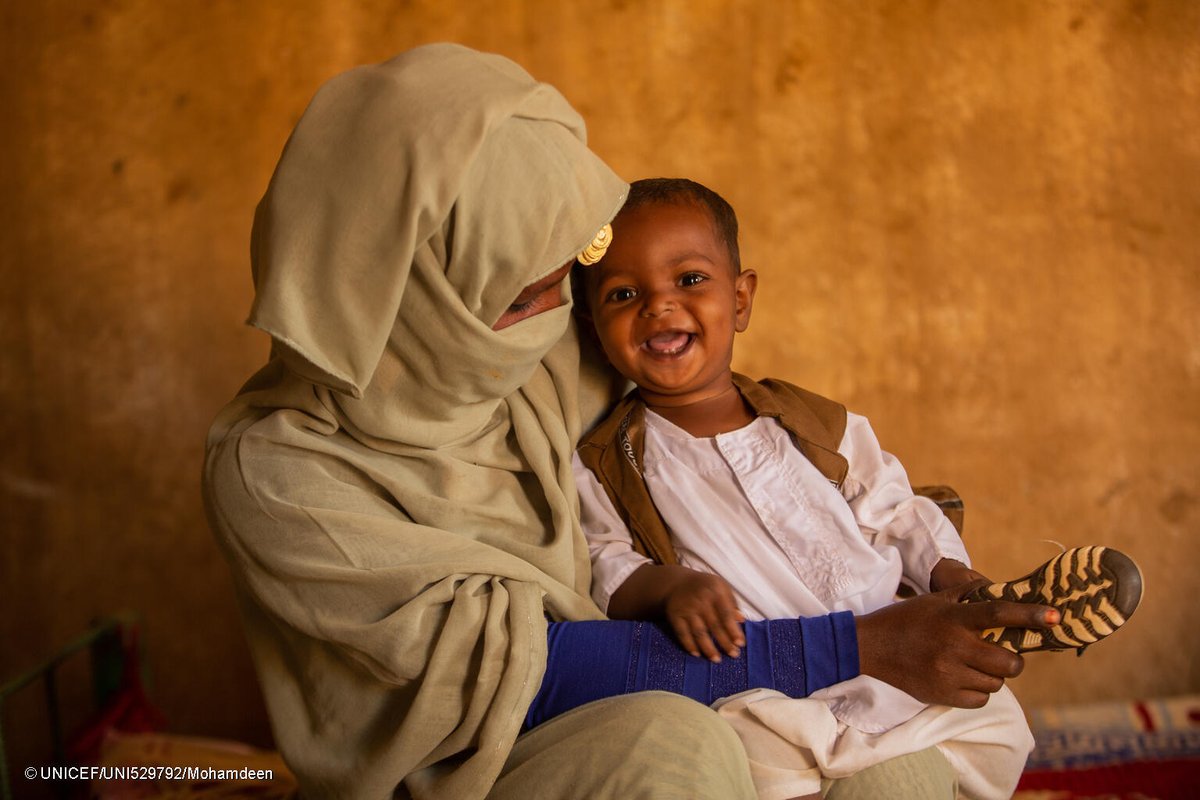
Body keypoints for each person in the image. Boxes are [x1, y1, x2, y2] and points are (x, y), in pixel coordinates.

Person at [203, 45, 1059, 800]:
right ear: (417, 297)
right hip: (477, 767)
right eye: (526, 294)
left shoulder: (536, 365)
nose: (565, 318)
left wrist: (936, 575)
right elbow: (528, 679)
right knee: (676, 746)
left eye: (570, 276)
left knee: (900, 775)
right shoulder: (280, 474)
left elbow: (809, 460)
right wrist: (857, 646)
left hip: (773, 680)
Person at [571, 178, 1139, 800]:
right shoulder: (608, 460)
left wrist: (945, 570)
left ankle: (1003, 610)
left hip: (896, 658)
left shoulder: (816, 423)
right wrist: (667, 585)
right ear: (595, 326)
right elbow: (601, 559)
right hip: (768, 689)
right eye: (624, 294)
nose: (658, 305)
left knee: (928, 755)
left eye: (689, 280)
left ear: (741, 299)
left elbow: (896, 510)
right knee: (736, 760)